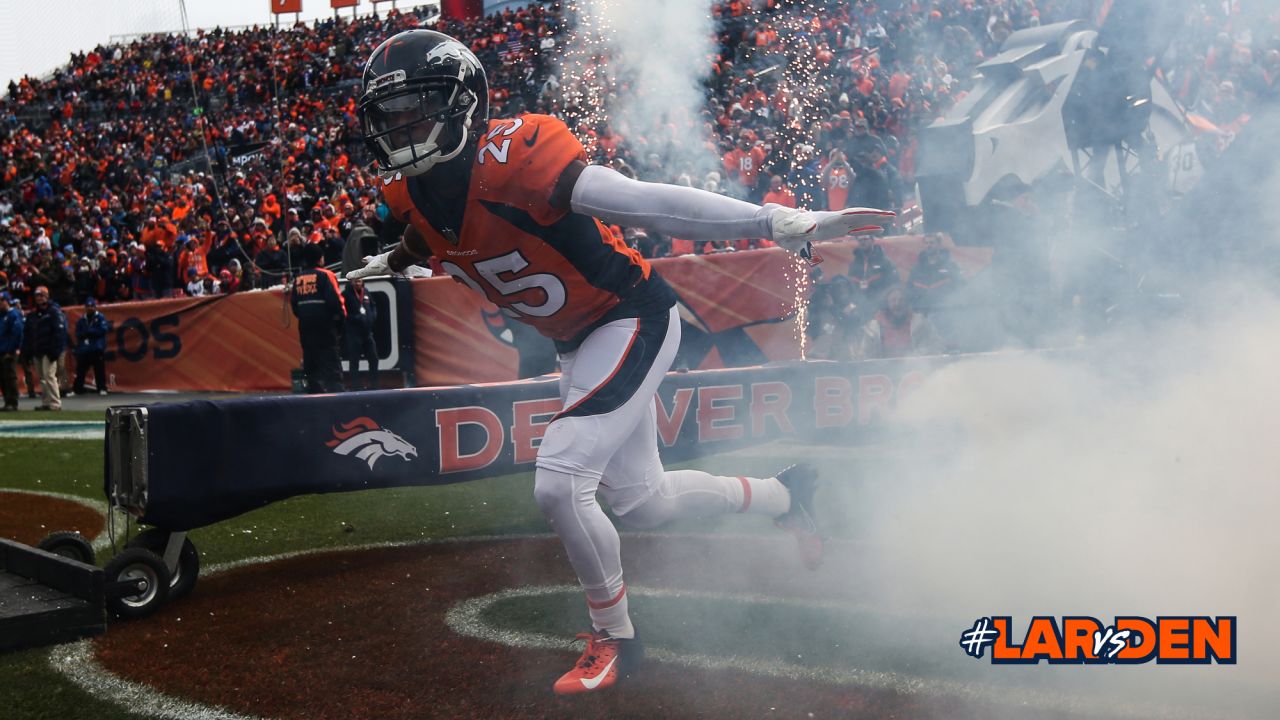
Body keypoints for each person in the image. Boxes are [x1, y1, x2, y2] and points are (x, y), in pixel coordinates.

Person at [347, 29, 894, 696]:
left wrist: (773, 219)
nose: (404, 126)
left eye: (418, 108)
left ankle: (618, 638)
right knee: (642, 502)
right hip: (578, 340)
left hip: (631, 314)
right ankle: (789, 494)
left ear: (464, 105)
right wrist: (392, 262)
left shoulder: (517, 157)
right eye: (392, 113)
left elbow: (649, 202)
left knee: (559, 480)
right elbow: (425, 227)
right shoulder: (410, 195)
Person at [290, 243, 346, 393]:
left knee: (311, 367)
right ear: (320, 258)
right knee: (332, 366)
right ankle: (339, 402)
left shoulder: (299, 278)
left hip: (306, 327)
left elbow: (294, 305)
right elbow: (336, 302)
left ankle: (314, 402)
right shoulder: (326, 275)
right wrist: (340, 323)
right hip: (326, 328)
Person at [851, 285, 945, 360]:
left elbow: (935, 346)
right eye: (893, 300)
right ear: (886, 304)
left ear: (907, 303)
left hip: (915, 372)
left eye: (901, 300)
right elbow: (865, 355)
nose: (897, 304)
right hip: (882, 373)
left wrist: (910, 359)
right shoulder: (873, 328)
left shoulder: (920, 324)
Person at [28, 286, 67, 411]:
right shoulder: (35, 314)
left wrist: (55, 350)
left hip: (49, 349)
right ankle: (46, 402)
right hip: (38, 349)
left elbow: (59, 332)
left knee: (49, 375)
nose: (39, 298)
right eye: (37, 296)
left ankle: (55, 402)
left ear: (47, 296)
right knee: (42, 378)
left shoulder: (54, 311)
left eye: (41, 295)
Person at [340, 277, 378, 391]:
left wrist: (372, 316)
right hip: (354, 333)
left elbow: (373, 305)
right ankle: (356, 386)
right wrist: (355, 318)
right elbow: (343, 313)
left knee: (374, 358)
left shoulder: (366, 292)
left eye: (359, 281)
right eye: (355, 281)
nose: (357, 283)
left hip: (367, 332)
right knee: (354, 360)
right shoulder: (345, 294)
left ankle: (374, 385)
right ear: (351, 282)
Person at [72, 297, 109, 396]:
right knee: (81, 370)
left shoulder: (100, 317)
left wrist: (89, 332)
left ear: (95, 307)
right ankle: (78, 389)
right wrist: (83, 335)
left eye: (92, 306)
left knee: (99, 370)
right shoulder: (82, 320)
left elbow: (103, 330)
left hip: (96, 347)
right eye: (88, 306)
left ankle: (101, 388)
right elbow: (78, 333)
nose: (90, 308)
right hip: (85, 348)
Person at [0, 292, 22, 411]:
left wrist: (13, 349)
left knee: (10, 376)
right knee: (2, 377)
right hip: (1, 350)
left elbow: (17, 333)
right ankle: (7, 401)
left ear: (7, 301)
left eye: (2, 300)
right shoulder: (1, 316)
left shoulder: (13, 314)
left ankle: (13, 402)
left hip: (9, 351)